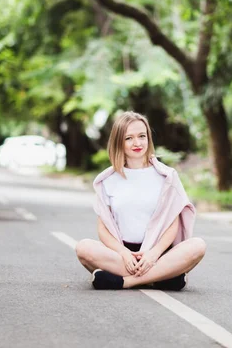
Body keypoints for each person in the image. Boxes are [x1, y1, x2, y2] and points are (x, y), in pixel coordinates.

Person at [75, 111, 206, 290]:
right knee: (84, 248)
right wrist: (124, 253)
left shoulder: (166, 177)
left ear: (148, 138)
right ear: (119, 142)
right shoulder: (107, 180)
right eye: (129, 138)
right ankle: (161, 277)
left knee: (198, 246)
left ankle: (127, 281)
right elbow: (103, 228)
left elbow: (171, 225)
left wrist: (153, 255)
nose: (137, 143)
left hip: (157, 254)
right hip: (121, 256)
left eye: (142, 136)